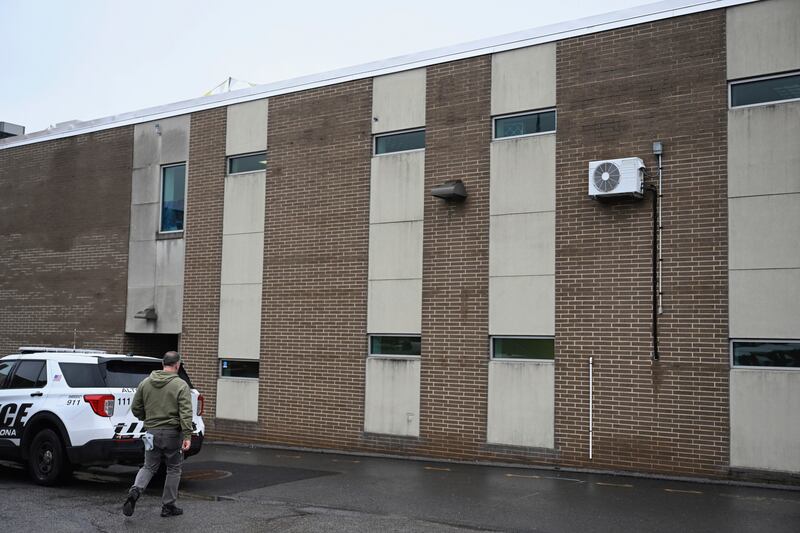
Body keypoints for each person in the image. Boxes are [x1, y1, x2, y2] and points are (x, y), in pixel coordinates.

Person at [122, 351, 193, 518]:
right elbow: (186, 412)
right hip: (172, 435)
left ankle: (135, 491)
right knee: (174, 468)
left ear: (163, 364)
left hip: (151, 432)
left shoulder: (145, 383)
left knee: (149, 466)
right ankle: (168, 506)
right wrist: (188, 435)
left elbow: (135, 408)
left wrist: (147, 419)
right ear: (177, 365)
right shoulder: (180, 385)